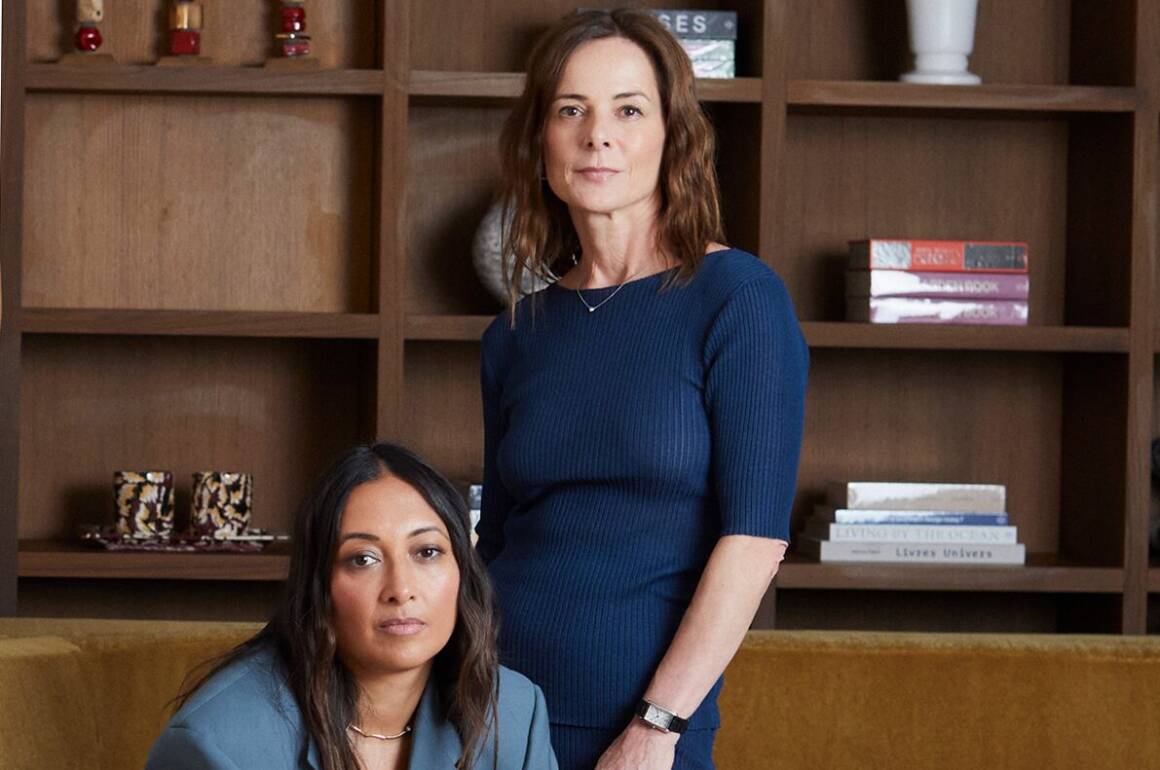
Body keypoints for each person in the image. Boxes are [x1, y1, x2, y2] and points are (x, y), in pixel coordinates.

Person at [478, 8, 809, 770]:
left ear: (672, 137)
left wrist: (658, 725)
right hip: (491, 712)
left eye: (629, 109)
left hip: (644, 729)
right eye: (572, 110)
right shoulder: (515, 334)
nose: (599, 135)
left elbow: (755, 540)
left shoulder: (738, 299)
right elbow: (495, 542)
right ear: (541, 140)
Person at [146, 443, 558, 770]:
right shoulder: (220, 745)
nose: (401, 589)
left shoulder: (512, 714)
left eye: (427, 551)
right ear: (318, 585)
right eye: (362, 559)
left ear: (462, 571)